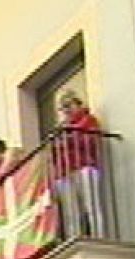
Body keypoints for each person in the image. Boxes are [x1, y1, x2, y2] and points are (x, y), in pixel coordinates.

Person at [51, 90, 107, 239]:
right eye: (62, 108)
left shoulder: (88, 120)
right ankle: (75, 239)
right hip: (65, 173)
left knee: (92, 207)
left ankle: (98, 236)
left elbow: (90, 141)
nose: (66, 110)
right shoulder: (61, 128)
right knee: (71, 214)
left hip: (84, 167)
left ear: (78, 104)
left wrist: (69, 137)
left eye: (68, 105)